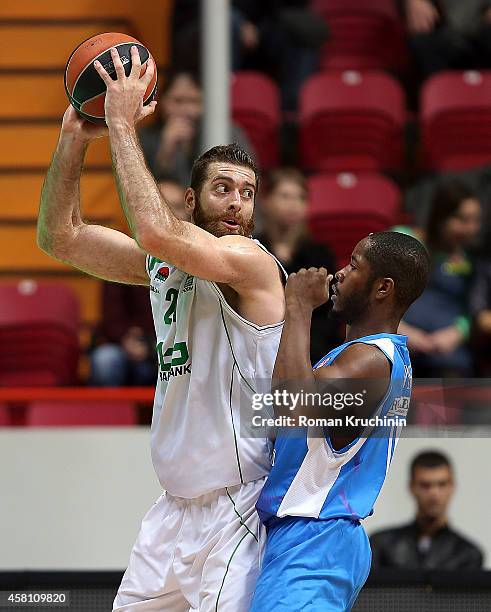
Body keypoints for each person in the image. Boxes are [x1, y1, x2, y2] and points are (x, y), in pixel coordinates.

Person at [38, 47, 285, 611]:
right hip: (172, 510)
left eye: (248, 193)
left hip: (236, 510)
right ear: (193, 200)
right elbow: (61, 238)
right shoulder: (166, 261)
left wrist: (122, 122)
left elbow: (154, 231)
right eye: (224, 189)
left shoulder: (250, 261)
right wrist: (75, 137)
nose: (238, 204)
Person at [250, 231, 430, 611]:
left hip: (314, 539)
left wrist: (297, 306)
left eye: (354, 265)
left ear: (383, 288)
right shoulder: (370, 357)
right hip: (318, 538)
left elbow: (291, 405)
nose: (340, 274)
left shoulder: (369, 363)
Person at [256, 167, 341, 361]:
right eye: (285, 196)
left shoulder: (320, 254)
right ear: (266, 201)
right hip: (260, 340)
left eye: (300, 198)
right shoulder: (253, 248)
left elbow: (328, 315)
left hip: (311, 346)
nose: (293, 205)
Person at [397, 180, 481, 377]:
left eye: (475, 220)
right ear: (440, 217)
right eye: (462, 219)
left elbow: (470, 311)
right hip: (400, 345)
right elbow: (375, 293)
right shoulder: (404, 241)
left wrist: (456, 334)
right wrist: (404, 332)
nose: (471, 228)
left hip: (446, 354)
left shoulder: (469, 261)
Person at [370, 450, 483, 570]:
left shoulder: (468, 554)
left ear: (452, 487)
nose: (434, 494)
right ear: (412, 487)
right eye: (425, 485)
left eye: (442, 484)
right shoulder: (381, 545)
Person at [138, 70, 254, 186]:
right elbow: (139, 185)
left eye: (194, 101)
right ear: (162, 101)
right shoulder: (145, 137)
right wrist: (166, 151)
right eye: (178, 101)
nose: (186, 110)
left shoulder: (226, 132)